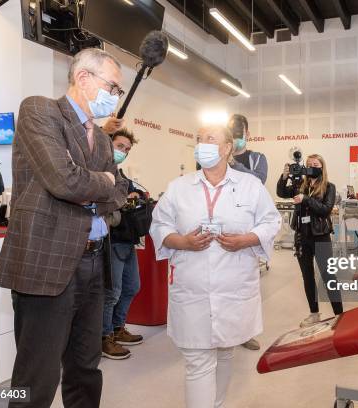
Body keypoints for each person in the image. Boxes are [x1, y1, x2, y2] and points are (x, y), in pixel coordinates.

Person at [0, 48, 129, 408]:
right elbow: (63, 181)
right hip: (47, 262)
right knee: (37, 378)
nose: (115, 98)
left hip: (94, 263)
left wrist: (93, 186)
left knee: (86, 368)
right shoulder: (40, 110)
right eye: (113, 87)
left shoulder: (100, 138)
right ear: (84, 78)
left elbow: (118, 192)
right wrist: (97, 183)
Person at [150, 125, 280, 408]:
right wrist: (183, 242)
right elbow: (159, 225)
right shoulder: (179, 187)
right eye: (198, 139)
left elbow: (271, 221)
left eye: (210, 139)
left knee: (224, 352)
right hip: (192, 288)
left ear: (227, 148)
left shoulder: (250, 186)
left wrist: (247, 239)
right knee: (198, 361)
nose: (201, 144)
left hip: (234, 287)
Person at [277, 154, 344, 328]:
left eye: (315, 164)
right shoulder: (300, 185)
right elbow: (281, 192)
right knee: (307, 277)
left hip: (321, 236)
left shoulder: (329, 187)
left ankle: (340, 315)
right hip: (302, 236)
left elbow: (325, 210)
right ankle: (314, 314)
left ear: (322, 166)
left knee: (328, 276)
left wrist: (306, 199)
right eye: (308, 164)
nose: (311, 166)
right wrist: (284, 177)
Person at [102, 127, 145, 360]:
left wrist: (137, 196)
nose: (123, 152)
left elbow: (135, 191)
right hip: (111, 239)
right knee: (112, 292)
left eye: (127, 149)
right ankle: (104, 336)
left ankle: (118, 328)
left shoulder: (119, 174)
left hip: (127, 239)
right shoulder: (97, 171)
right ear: (106, 143)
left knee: (131, 287)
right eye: (120, 146)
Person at [227, 113, 267, 351]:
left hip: (246, 230)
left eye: (240, 136)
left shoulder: (257, 158)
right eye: (232, 136)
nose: (236, 140)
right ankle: (224, 330)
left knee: (245, 287)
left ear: (247, 135)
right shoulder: (219, 155)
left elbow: (259, 180)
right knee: (223, 284)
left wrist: (235, 165)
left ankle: (244, 333)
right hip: (222, 226)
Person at [227, 114, 268, 184]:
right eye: (232, 133)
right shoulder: (221, 157)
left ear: (247, 134)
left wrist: (233, 163)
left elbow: (260, 181)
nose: (235, 137)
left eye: (238, 133)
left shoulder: (258, 158)